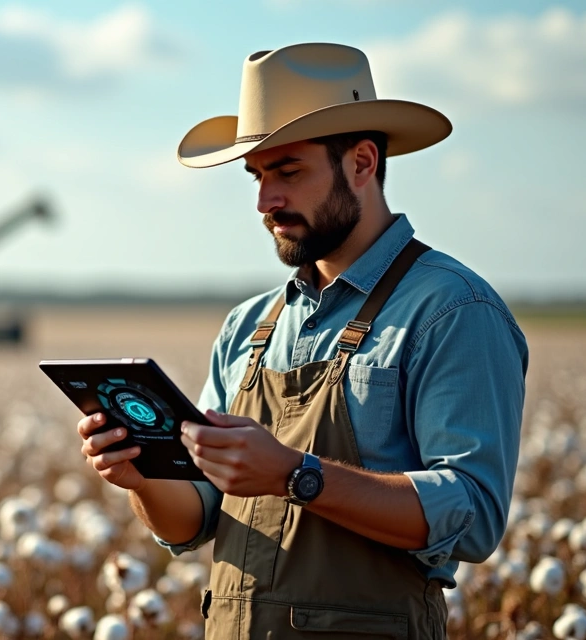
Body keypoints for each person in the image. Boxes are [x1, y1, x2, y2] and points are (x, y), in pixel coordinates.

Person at [78, 42, 529, 638]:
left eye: (288, 172)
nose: (266, 202)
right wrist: (141, 478)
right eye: (259, 176)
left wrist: (296, 473)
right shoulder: (248, 326)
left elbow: (472, 513)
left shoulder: (451, 310)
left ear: (363, 163)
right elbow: (196, 519)